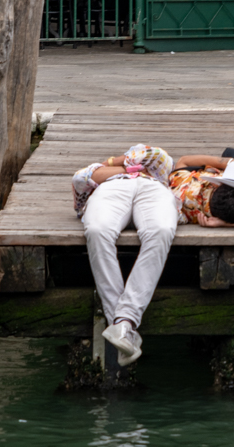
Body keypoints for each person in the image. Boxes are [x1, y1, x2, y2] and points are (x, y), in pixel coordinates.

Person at [71, 144, 176, 367]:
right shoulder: (101, 171)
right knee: (98, 231)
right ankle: (123, 325)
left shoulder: (160, 169)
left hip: (153, 190)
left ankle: (122, 323)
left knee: (161, 230)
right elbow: (80, 178)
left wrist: (120, 163)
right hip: (112, 189)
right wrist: (121, 168)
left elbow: (155, 156)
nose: (132, 157)